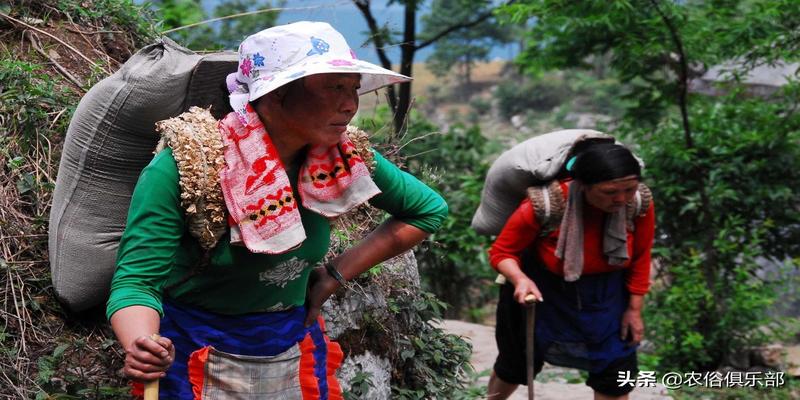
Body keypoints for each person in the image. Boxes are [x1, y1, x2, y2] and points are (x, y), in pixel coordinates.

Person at [106, 21, 448, 398]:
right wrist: (142, 344)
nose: (350, 105)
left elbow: (426, 210)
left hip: (289, 345)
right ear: (276, 92)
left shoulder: (342, 158)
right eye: (334, 86)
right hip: (193, 346)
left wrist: (333, 275)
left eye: (353, 88)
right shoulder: (193, 164)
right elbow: (137, 282)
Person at [486, 141, 655, 400]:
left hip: (607, 295)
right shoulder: (546, 204)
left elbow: (641, 257)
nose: (620, 199)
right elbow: (502, 252)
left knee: (615, 371)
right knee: (516, 363)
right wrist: (519, 279)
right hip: (544, 291)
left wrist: (634, 310)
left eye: (629, 189)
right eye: (609, 192)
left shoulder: (639, 203)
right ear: (583, 185)